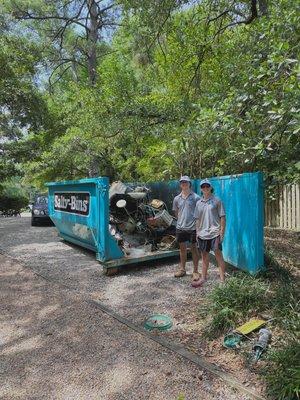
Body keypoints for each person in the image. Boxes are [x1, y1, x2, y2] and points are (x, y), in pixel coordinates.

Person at [193, 179, 226, 287]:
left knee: (218, 255)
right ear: (201, 189)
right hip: (202, 234)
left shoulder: (217, 200)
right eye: (203, 187)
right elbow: (197, 219)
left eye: (207, 186)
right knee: (204, 256)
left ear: (211, 187)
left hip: (215, 233)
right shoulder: (198, 203)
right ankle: (203, 278)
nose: (205, 188)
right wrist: (197, 232)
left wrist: (222, 231)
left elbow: (222, 217)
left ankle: (222, 281)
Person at [172, 176, 201, 281]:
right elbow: (176, 213)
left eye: (186, 182)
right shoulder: (176, 198)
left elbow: (199, 213)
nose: (184, 184)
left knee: (194, 248)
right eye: (182, 182)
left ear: (189, 184)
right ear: (180, 185)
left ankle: (196, 271)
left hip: (193, 227)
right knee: (182, 249)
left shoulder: (196, 197)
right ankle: (182, 269)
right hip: (180, 227)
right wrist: (181, 221)